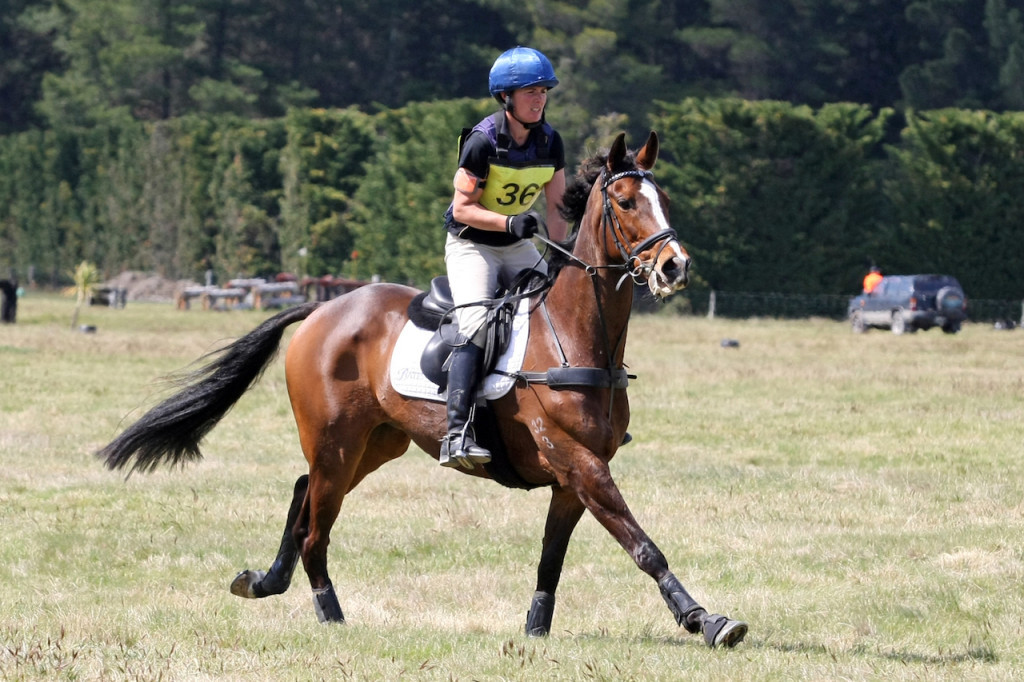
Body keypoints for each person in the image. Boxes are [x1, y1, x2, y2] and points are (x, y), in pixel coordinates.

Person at [439, 46, 570, 469]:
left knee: (563, 306)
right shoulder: (481, 141)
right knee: (476, 323)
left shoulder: (551, 141)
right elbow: (461, 209)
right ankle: (457, 432)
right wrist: (510, 222)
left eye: (543, 90)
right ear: (506, 98)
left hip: (516, 246)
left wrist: (558, 255)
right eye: (530, 91)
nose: (540, 98)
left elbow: (557, 208)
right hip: (472, 244)